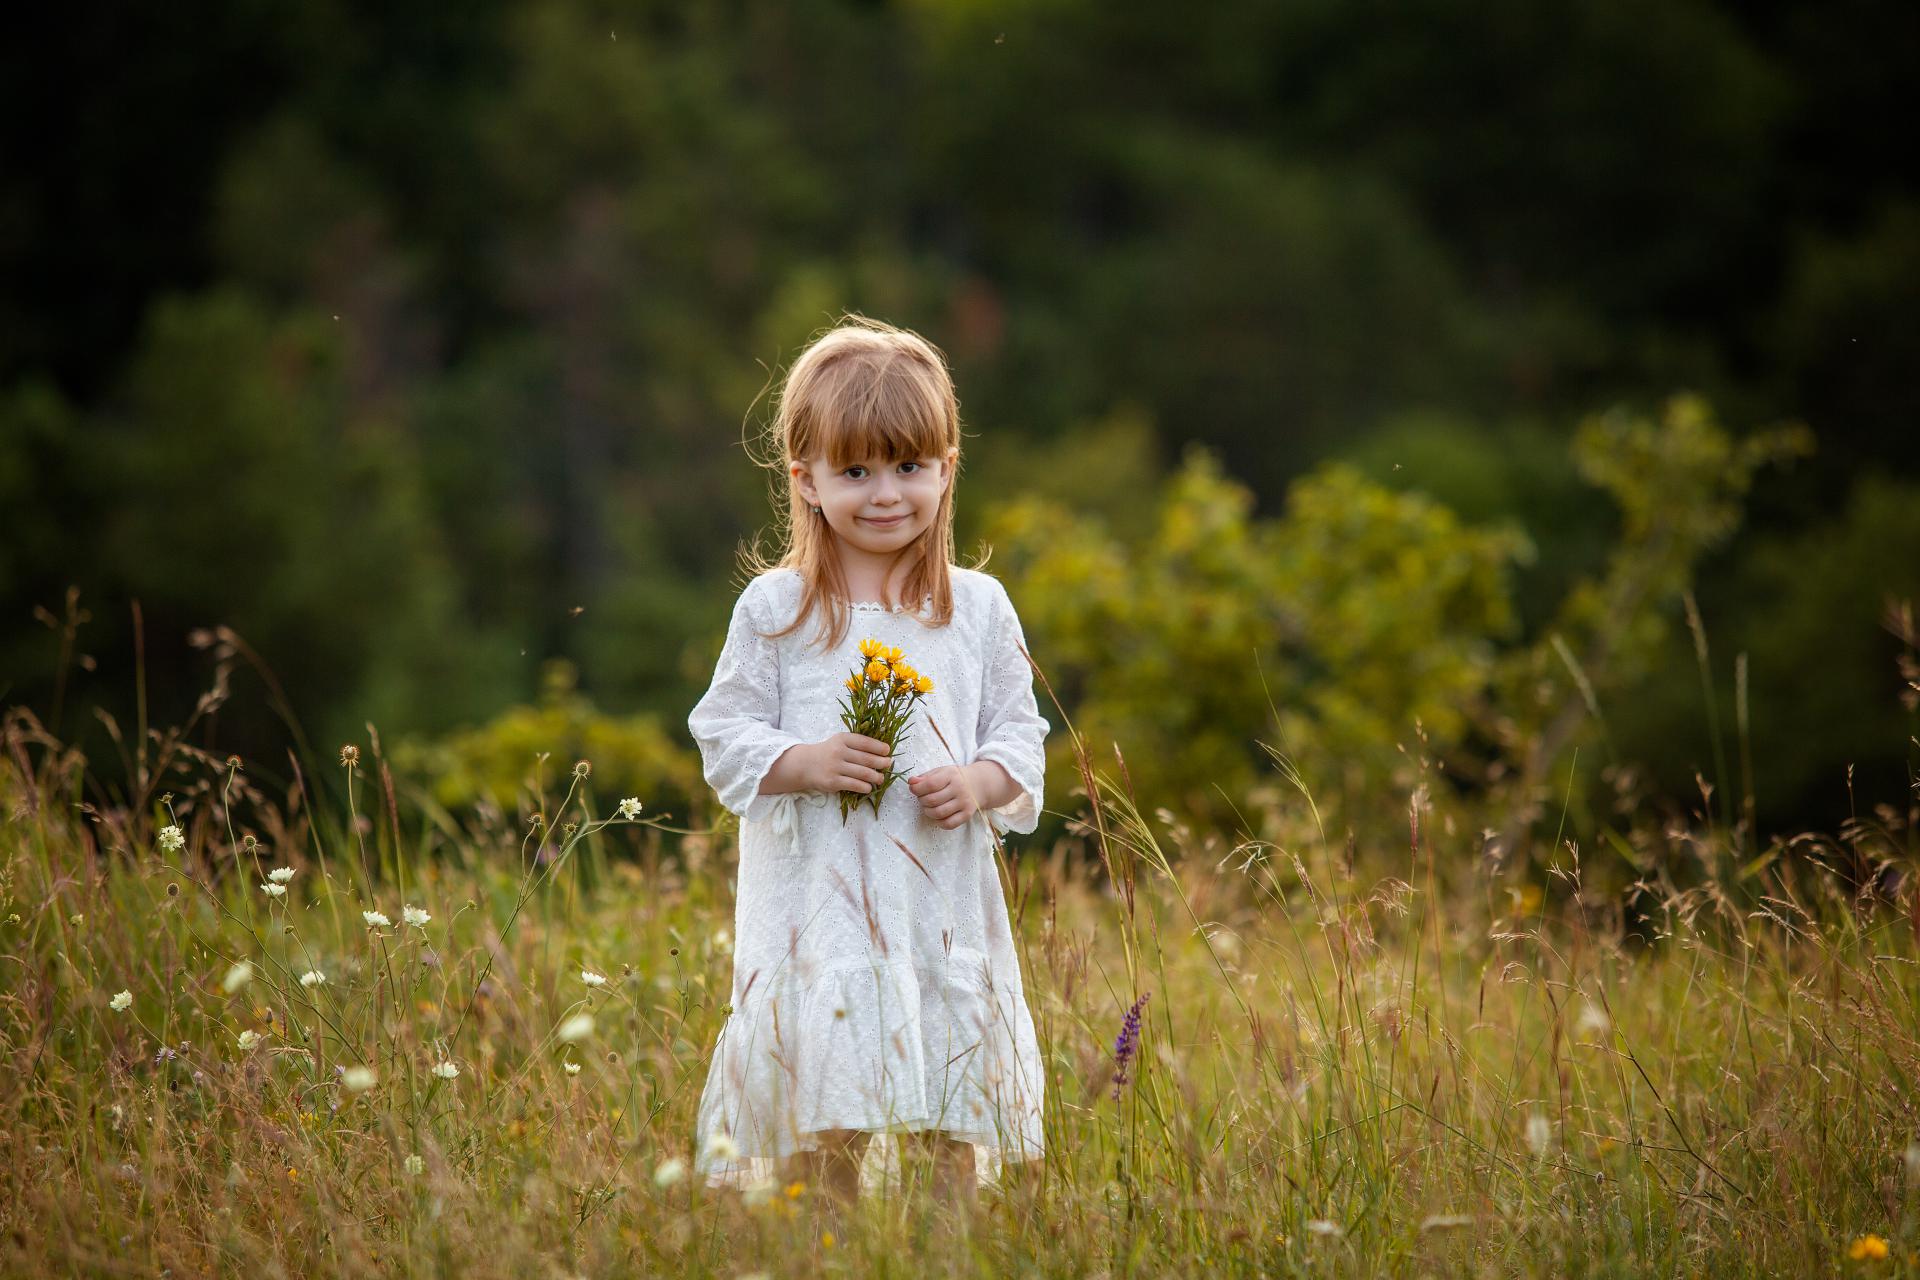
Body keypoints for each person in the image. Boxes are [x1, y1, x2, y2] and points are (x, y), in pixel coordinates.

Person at [686, 316, 1049, 1218]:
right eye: (855, 472)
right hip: (819, 917)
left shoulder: (976, 608)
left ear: (947, 467)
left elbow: (1021, 736)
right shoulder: (777, 609)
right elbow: (723, 732)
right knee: (826, 1124)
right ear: (806, 481)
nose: (885, 494)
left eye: (908, 467)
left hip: (939, 915)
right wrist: (803, 761)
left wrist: (979, 783)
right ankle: (826, 1257)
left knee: (945, 1121)